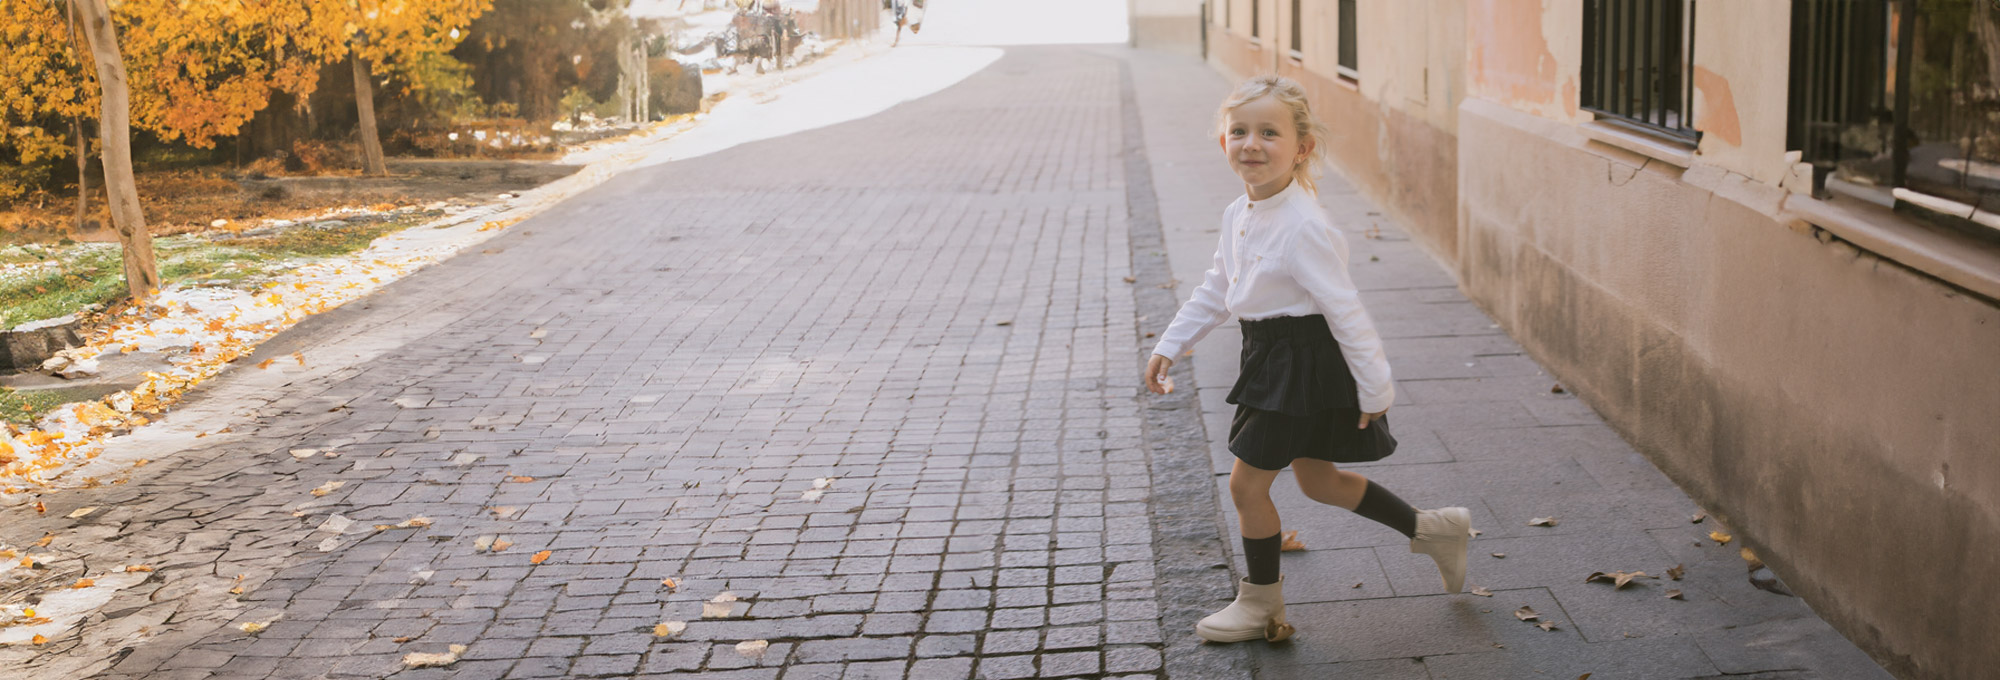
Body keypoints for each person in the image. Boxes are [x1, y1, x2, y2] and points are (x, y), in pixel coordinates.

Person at [1144, 75, 1473, 643]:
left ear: (1302, 148)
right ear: (1222, 142)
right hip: (1271, 354)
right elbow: (1218, 285)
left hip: (1300, 361)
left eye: (1269, 132)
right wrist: (1171, 343)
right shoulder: (1238, 213)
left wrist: (1376, 390)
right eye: (1239, 131)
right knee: (1318, 480)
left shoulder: (1305, 226)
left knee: (1247, 488)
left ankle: (1262, 607)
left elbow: (1346, 312)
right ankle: (1433, 529)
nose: (1251, 143)